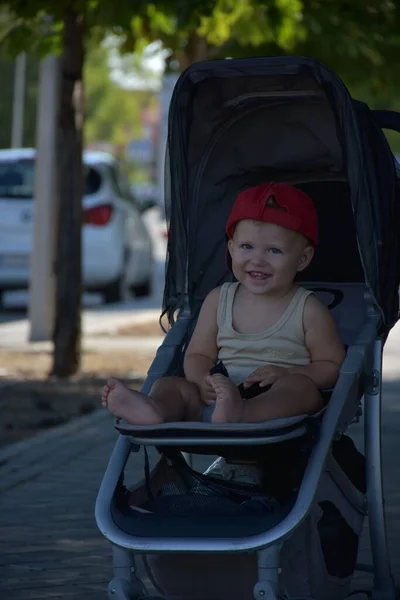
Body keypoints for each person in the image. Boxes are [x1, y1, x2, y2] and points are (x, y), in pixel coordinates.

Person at [101, 182, 346, 425]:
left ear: (302, 259)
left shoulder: (308, 309)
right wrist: (201, 380)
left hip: (274, 403)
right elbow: (198, 354)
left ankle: (244, 413)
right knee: (169, 385)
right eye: (246, 247)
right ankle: (155, 409)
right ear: (231, 248)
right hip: (218, 400)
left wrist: (289, 373)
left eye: (274, 250)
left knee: (301, 389)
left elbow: (332, 367)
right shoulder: (219, 299)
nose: (257, 259)